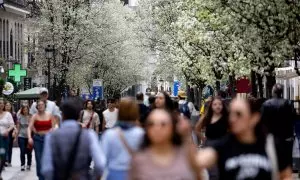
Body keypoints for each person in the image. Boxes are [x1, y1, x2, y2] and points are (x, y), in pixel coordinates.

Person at [197, 96, 293, 180]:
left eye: (239, 114)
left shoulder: (272, 145)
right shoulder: (223, 146)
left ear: (253, 118)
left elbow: (286, 175)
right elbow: (199, 163)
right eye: (231, 114)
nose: (232, 119)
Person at [129, 109, 203, 180]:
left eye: (163, 124)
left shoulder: (187, 155)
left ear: (172, 127)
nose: (157, 128)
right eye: (151, 124)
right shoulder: (138, 160)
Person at [41, 98, 105, 180]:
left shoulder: (51, 136)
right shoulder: (89, 135)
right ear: (78, 115)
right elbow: (100, 165)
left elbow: (47, 169)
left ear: (62, 115)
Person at [101, 98, 144, 180]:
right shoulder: (140, 134)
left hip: (114, 173)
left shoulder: (109, 134)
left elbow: (102, 160)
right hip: (134, 173)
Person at [261, 83, 296, 172]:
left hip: (271, 137)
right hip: (286, 136)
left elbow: (262, 121)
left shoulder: (266, 104)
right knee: (287, 160)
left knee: (272, 159)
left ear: (273, 92)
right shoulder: (288, 103)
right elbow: (293, 118)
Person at [195, 96, 228, 180]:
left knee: (224, 171)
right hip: (210, 148)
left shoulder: (227, 118)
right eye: (215, 104)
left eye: (220, 104)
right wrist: (204, 140)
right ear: (211, 106)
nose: (218, 106)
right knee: (213, 174)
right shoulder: (207, 117)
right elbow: (197, 128)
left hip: (223, 148)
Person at [28, 99, 55, 180]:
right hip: (38, 139)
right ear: (37, 107)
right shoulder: (34, 116)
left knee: (48, 158)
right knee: (39, 159)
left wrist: (52, 131)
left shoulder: (50, 115)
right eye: (39, 105)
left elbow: (54, 126)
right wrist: (29, 137)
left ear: (45, 106)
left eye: (42, 105)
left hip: (48, 139)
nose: (40, 106)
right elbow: (29, 127)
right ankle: (41, 177)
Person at [0, 99, 14, 179]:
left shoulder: (8, 114)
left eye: (2, 103)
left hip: (4, 138)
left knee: (3, 156)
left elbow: (12, 125)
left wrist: (8, 131)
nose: (1, 105)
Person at [16, 105, 32, 171]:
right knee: (22, 151)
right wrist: (16, 136)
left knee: (29, 152)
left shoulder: (31, 116)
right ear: (22, 110)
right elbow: (18, 126)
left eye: (26, 109)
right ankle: (22, 165)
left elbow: (32, 126)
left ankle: (28, 164)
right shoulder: (20, 116)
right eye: (24, 109)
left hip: (29, 136)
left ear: (28, 110)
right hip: (21, 136)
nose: (25, 111)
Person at [4, 101, 17, 167]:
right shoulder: (2, 114)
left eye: (9, 105)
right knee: (6, 146)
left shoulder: (14, 114)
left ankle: (9, 161)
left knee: (10, 147)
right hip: (4, 131)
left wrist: (15, 132)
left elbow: (15, 124)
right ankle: (5, 160)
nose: (8, 107)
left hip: (11, 132)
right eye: (6, 105)